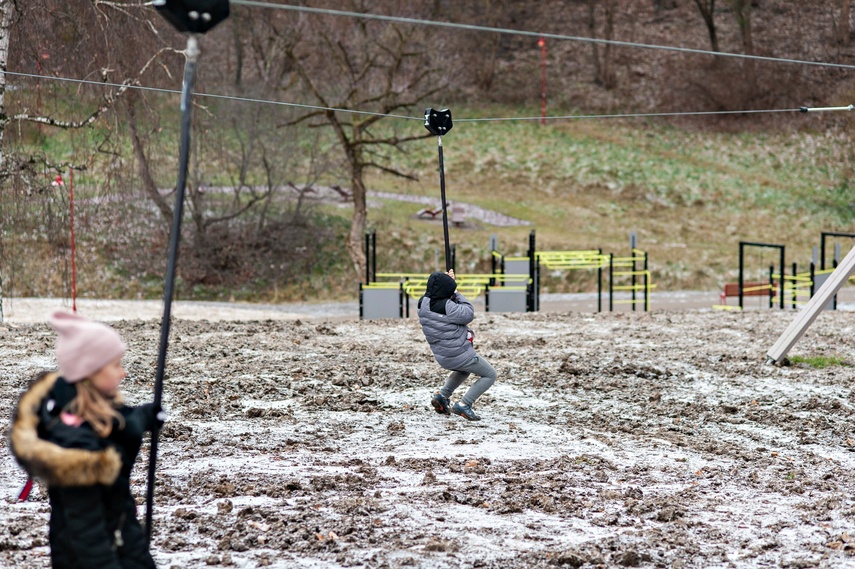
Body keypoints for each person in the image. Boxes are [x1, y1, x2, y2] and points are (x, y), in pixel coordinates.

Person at [10, 311, 163, 569]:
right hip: (98, 556)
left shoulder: (91, 413)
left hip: (122, 537)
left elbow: (119, 424)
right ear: (90, 373)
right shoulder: (77, 451)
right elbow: (86, 535)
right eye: (116, 365)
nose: (123, 373)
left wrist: (147, 416)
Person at [417, 269, 497, 421]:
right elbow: (468, 313)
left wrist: (447, 284)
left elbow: (439, 294)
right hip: (459, 354)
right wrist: (455, 291)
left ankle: (442, 396)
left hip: (443, 356)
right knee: (490, 374)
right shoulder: (448, 306)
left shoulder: (423, 302)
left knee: (463, 370)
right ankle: (464, 404)